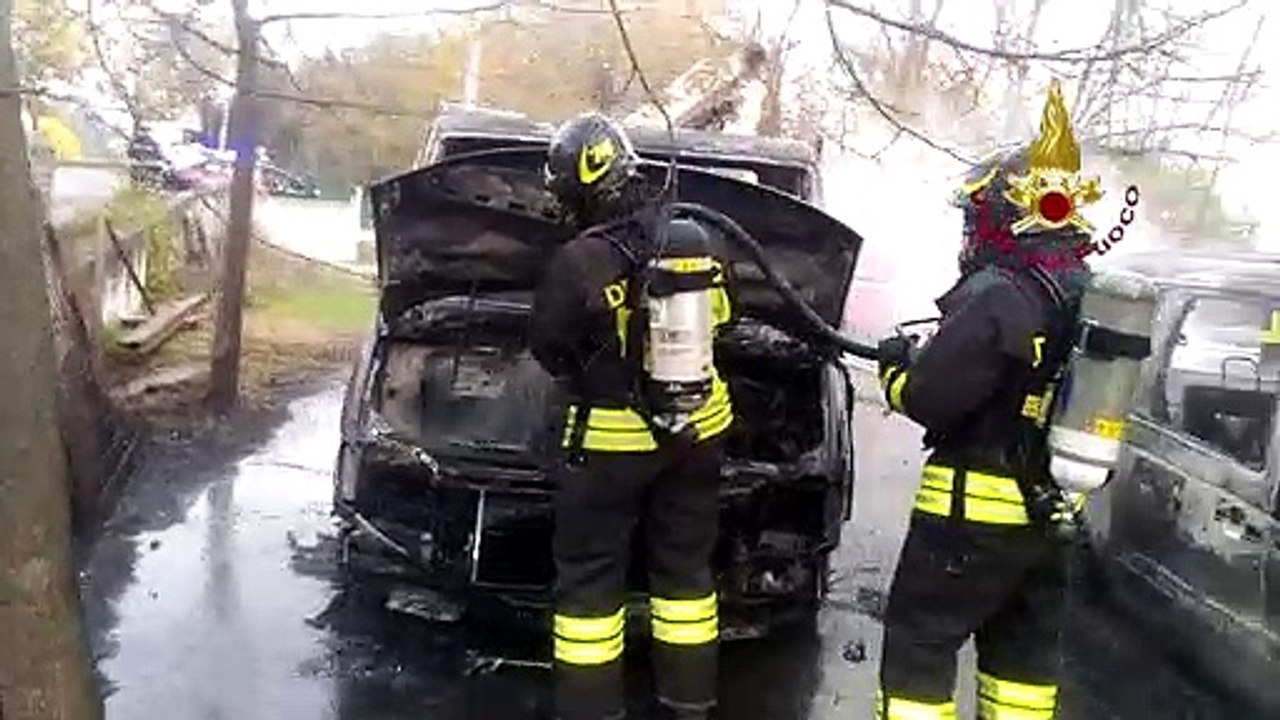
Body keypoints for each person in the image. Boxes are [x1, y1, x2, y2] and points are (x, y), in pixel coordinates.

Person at [874, 80, 1101, 720]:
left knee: (920, 653)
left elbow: (932, 398)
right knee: (1022, 668)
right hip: (1052, 515)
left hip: (970, 517)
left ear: (1004, 215)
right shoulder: (1087, 291)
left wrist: (896, 373)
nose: (972, 229)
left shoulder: (1000, 293)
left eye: (977, 216)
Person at [530, 113, 736, 720]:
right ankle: (689, 705)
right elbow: (732, 318)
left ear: (578, 187)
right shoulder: (701, 238)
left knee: (591, 589)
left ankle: (593, 711)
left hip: (608, 450)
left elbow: (548, 346)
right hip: (699, 434)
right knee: (686, 582)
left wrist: (600, 361)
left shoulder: (581, 260)